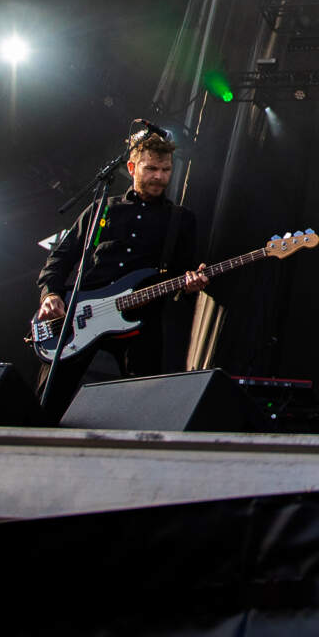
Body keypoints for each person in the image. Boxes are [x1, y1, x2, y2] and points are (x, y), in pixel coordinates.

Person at [33, 129, 206, 420]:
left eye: (165, 170)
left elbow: (180, 273)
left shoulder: (180, 219)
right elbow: (61, 257)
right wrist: (50, 294)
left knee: (141, 408)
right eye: (151, 168)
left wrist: (190, 285)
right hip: (82, 312)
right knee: (47, 402)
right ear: (131, 167)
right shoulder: (102, 208)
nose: (159, 177)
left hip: (141, 318)